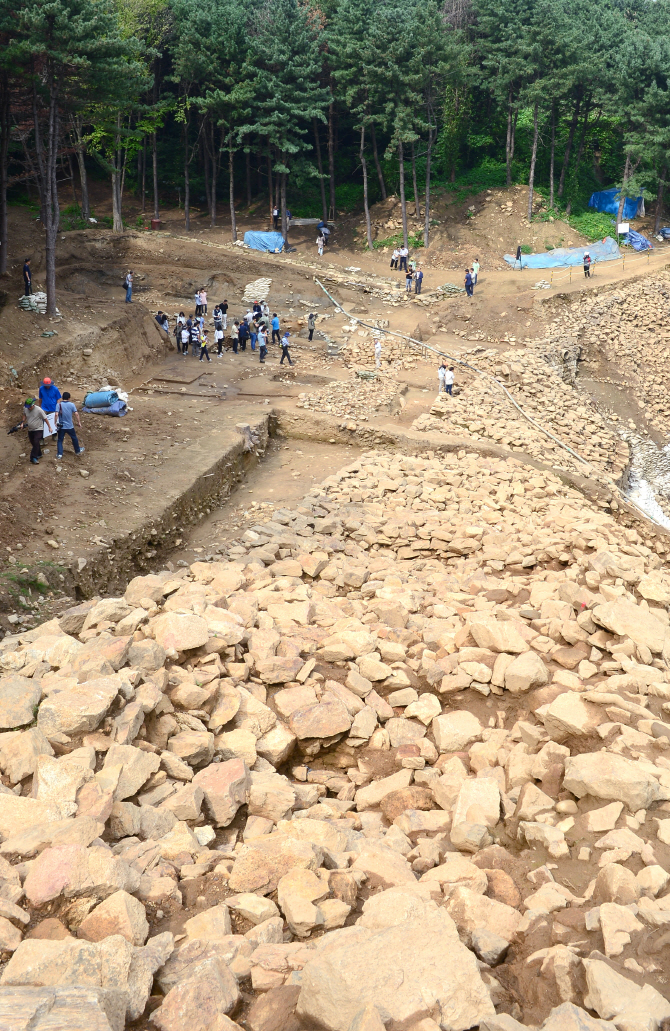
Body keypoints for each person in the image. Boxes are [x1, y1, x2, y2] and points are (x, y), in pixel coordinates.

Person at [55, 392, 84, 459]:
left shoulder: (58, 405)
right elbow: (76, 414)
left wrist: (55, 422)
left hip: (61, 426)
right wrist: (79, 422)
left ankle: (59, 454)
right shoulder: (72, 405)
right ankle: (77, 450)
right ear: (69, 398)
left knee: (60, 440)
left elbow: (56, 414)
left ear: (62, 397)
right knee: (74, 438)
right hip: (70, 426)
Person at [20, 398, 48, 464]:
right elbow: (24, 415)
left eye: (29, 407)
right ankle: (39, 454)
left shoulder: (39, 410)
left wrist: (49, 427)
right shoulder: (25, 408)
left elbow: (45, 418)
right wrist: (22, 422)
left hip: (39, 428)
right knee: (33, 443)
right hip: (30, 429)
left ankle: (33, 457)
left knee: (36, 441)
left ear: (33, 405)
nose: (28, 408)